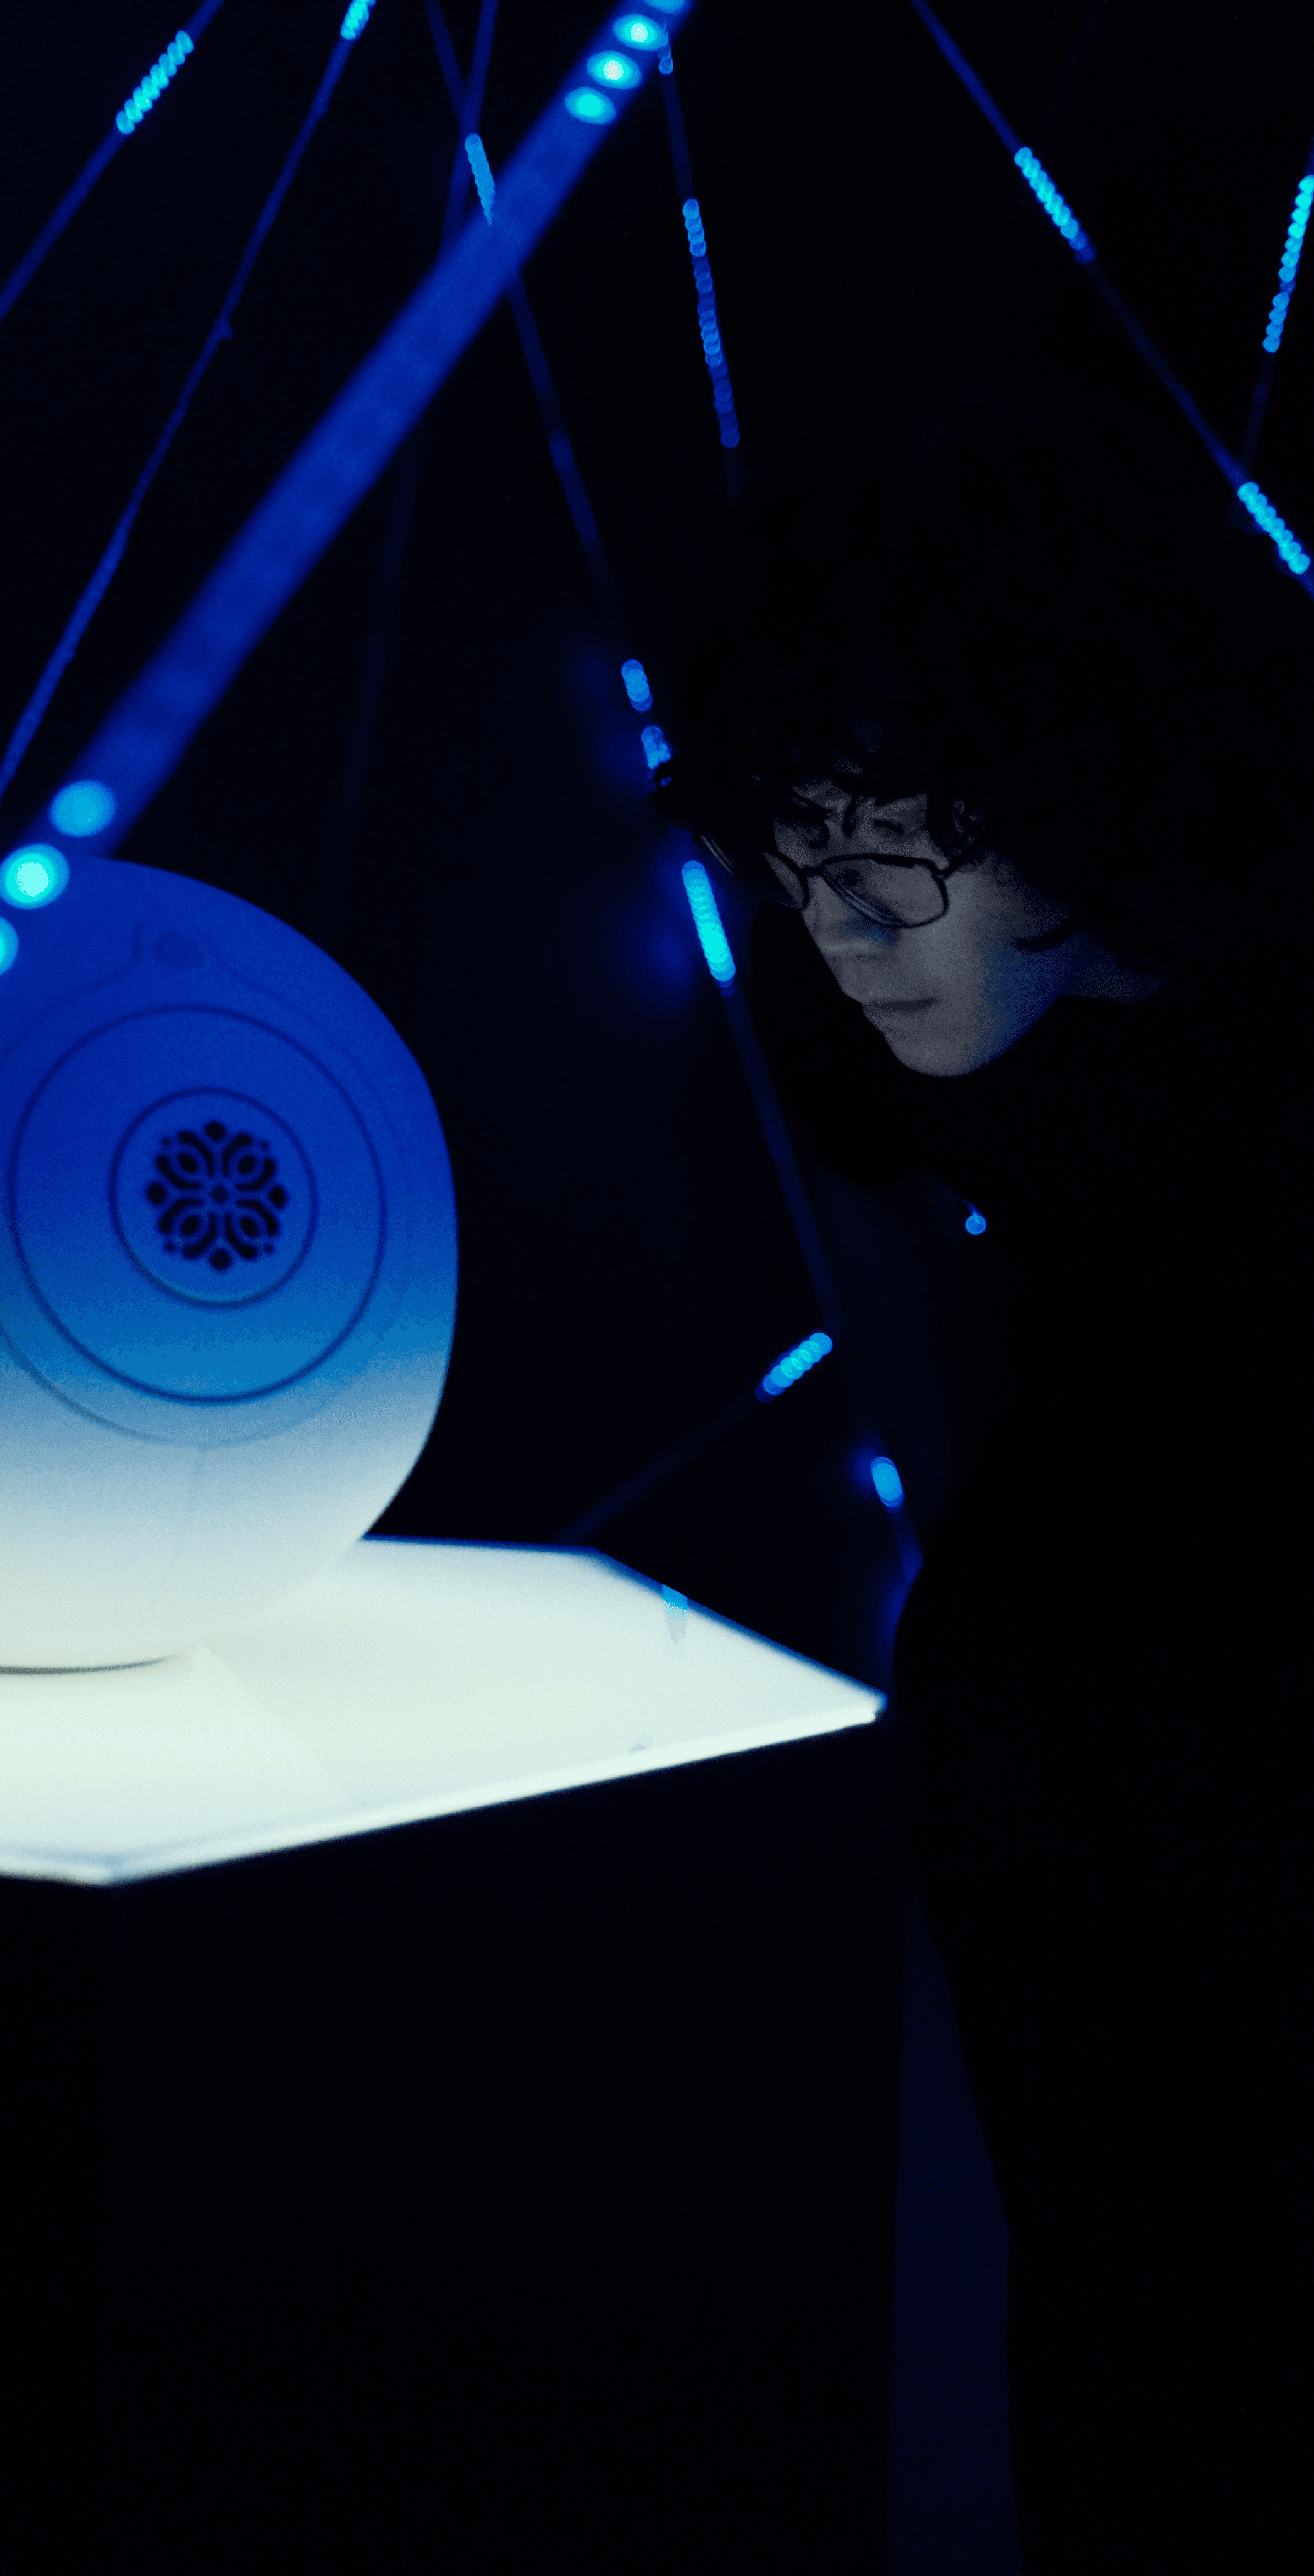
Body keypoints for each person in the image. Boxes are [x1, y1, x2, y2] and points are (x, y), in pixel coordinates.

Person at [651, 380, 1310, 2570]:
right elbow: (894, 1230)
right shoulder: (916, 1010)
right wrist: (1000, 1576)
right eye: (784, 843)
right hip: (1056, 1732)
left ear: (1078, 763)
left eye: (887, 838)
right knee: (1133, 2356)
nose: (833, 913)